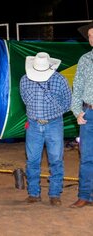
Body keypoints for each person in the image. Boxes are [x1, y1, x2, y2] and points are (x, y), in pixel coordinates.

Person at [19, 52, 72, 206]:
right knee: (32, 160)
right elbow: (25, 99)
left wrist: (53, 110)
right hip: (33, 124)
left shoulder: (60, 80)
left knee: (56, 160)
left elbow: (68, 102)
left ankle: (55, 194)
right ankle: (34, 194)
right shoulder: (25, 80)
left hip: (54, 123)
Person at [70, 21, 93, 208]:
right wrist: (77, 111)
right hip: (89, 114)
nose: (92, 38)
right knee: (86, 157)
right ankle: (85, 195)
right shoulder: (85, 59)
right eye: (90, 36)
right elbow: (76, 88)